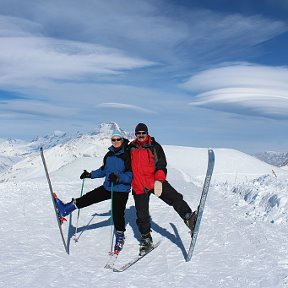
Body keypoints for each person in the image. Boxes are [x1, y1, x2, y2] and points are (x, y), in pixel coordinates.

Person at [55, 130, 132, 254]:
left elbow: (131, 175)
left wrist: (119, 177)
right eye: (113, 140)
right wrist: (90, 175)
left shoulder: (128, 155)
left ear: (122, 140)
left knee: (117, 214)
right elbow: (103, 170)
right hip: (108, 186)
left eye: (118, 139)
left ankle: (120, 236)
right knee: (89, 197)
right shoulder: (109, 155)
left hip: (121, 189)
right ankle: (66, 209)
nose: (116, 142)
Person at [129, 123, 197, 255]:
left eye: (143, 133)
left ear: (147, 133)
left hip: (155, 181)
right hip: (139, 186)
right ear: (135, 134)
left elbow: (161, 164)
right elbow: (124, 164)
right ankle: (146, 239)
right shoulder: (131, 148)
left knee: (175, 198)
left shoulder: (155, 146)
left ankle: (188, 217)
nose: (141, 136)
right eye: (138, 133)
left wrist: (159, 180)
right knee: (142, 215)